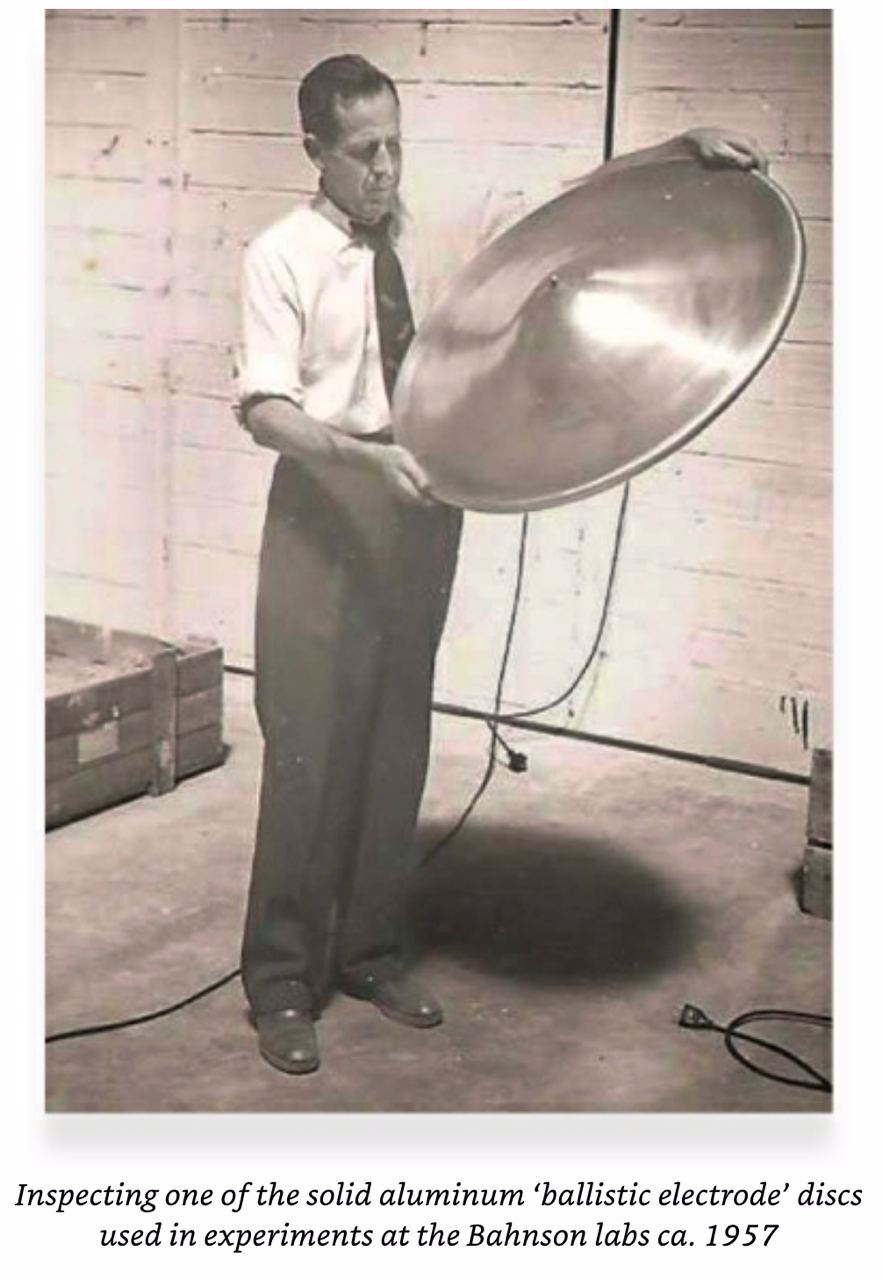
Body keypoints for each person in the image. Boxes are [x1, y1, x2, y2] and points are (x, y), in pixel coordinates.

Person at [234, 53, 767, 1076]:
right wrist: (365, 459)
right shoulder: (280, 256)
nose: (386, 170)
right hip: (324, 504)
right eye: (363, 152)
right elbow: (264, 410)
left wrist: (675, 151)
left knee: (396, 739)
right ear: (314, 152)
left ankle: (370, 953)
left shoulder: (429, 226)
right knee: (309, 752)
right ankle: (281, 984)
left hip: (419, 503)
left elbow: (564, 215)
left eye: (395, 145)